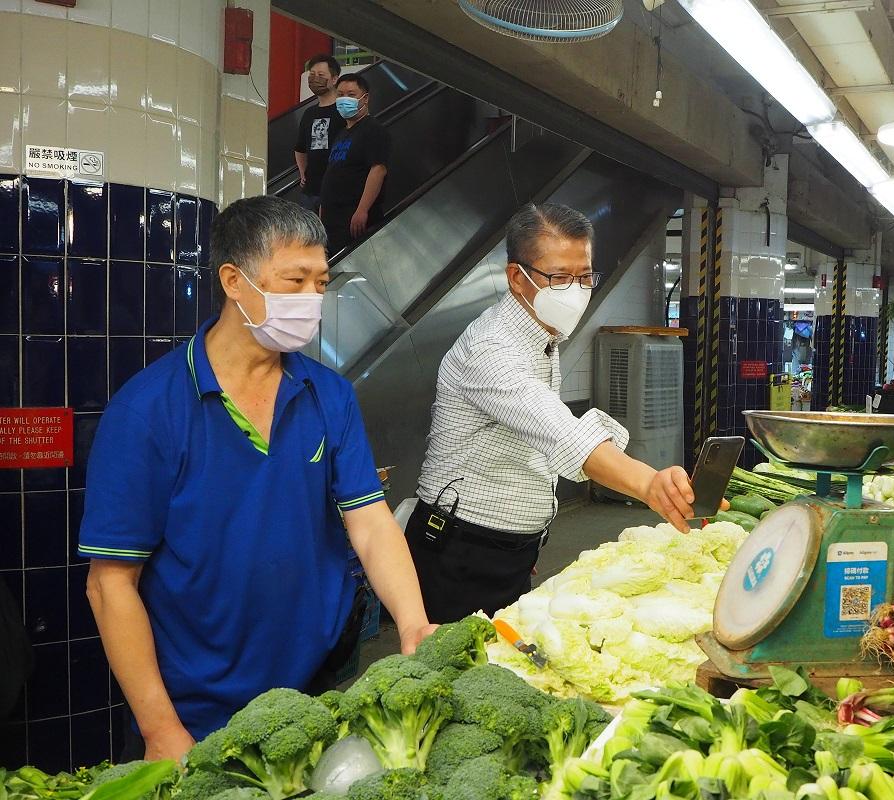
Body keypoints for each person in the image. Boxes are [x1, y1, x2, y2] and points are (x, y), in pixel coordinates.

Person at [80, 197, 435, 761]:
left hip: (317, 684)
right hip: (191, 708)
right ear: (234, 282)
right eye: (294, 280)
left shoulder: (328, 393)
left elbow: (368, 521)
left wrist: (412, 622)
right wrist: (159, 728)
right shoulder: (149, 411)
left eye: (321, 282)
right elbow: (110, 583)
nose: (312, 299)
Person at [409, 203, 718, 623]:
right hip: (461, 550)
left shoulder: (543, 332)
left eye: (585, 276)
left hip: (507, 546)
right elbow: (561, 434)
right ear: (517, 277)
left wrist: (526, 534)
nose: (575, 290)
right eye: (559, 277)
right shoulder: (492, 350)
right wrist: (649, 484)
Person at [320, 72, 390, 256]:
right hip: (331, 221)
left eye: (351, 95)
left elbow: (378, 170)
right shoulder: (341, 134)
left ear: (364, 99)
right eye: (340, 95)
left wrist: (362, 210)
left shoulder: (373, 130)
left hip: (353, 221)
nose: (344, 99)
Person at [293, 54, 346, 212]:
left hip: (337, 189)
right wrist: (303, 172)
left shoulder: (344, 110)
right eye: (312, 75)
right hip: (310, 191)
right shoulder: (309, 113)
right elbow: (300, 147)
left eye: (321, 75)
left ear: (335, 79)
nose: (315, 79)